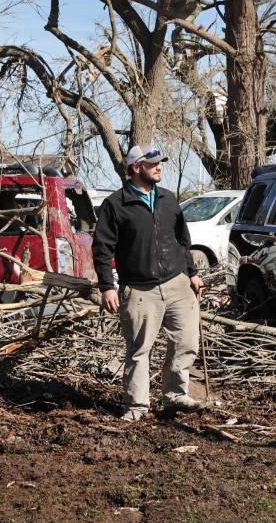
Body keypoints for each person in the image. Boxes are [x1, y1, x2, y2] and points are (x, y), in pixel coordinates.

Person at [92, 144, 205, 422]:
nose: (159, 167)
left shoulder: (168, 199)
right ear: (136, 168)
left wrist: (191, 272)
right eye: (152, 163)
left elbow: (182, 240)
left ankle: (176, 394)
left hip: (177, 283)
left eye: (159, 162)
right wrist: (107, 285)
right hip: (140, 289)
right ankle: (137, 407)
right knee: (139, 350)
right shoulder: (116, 205)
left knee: (186, 341)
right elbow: (102, 248)